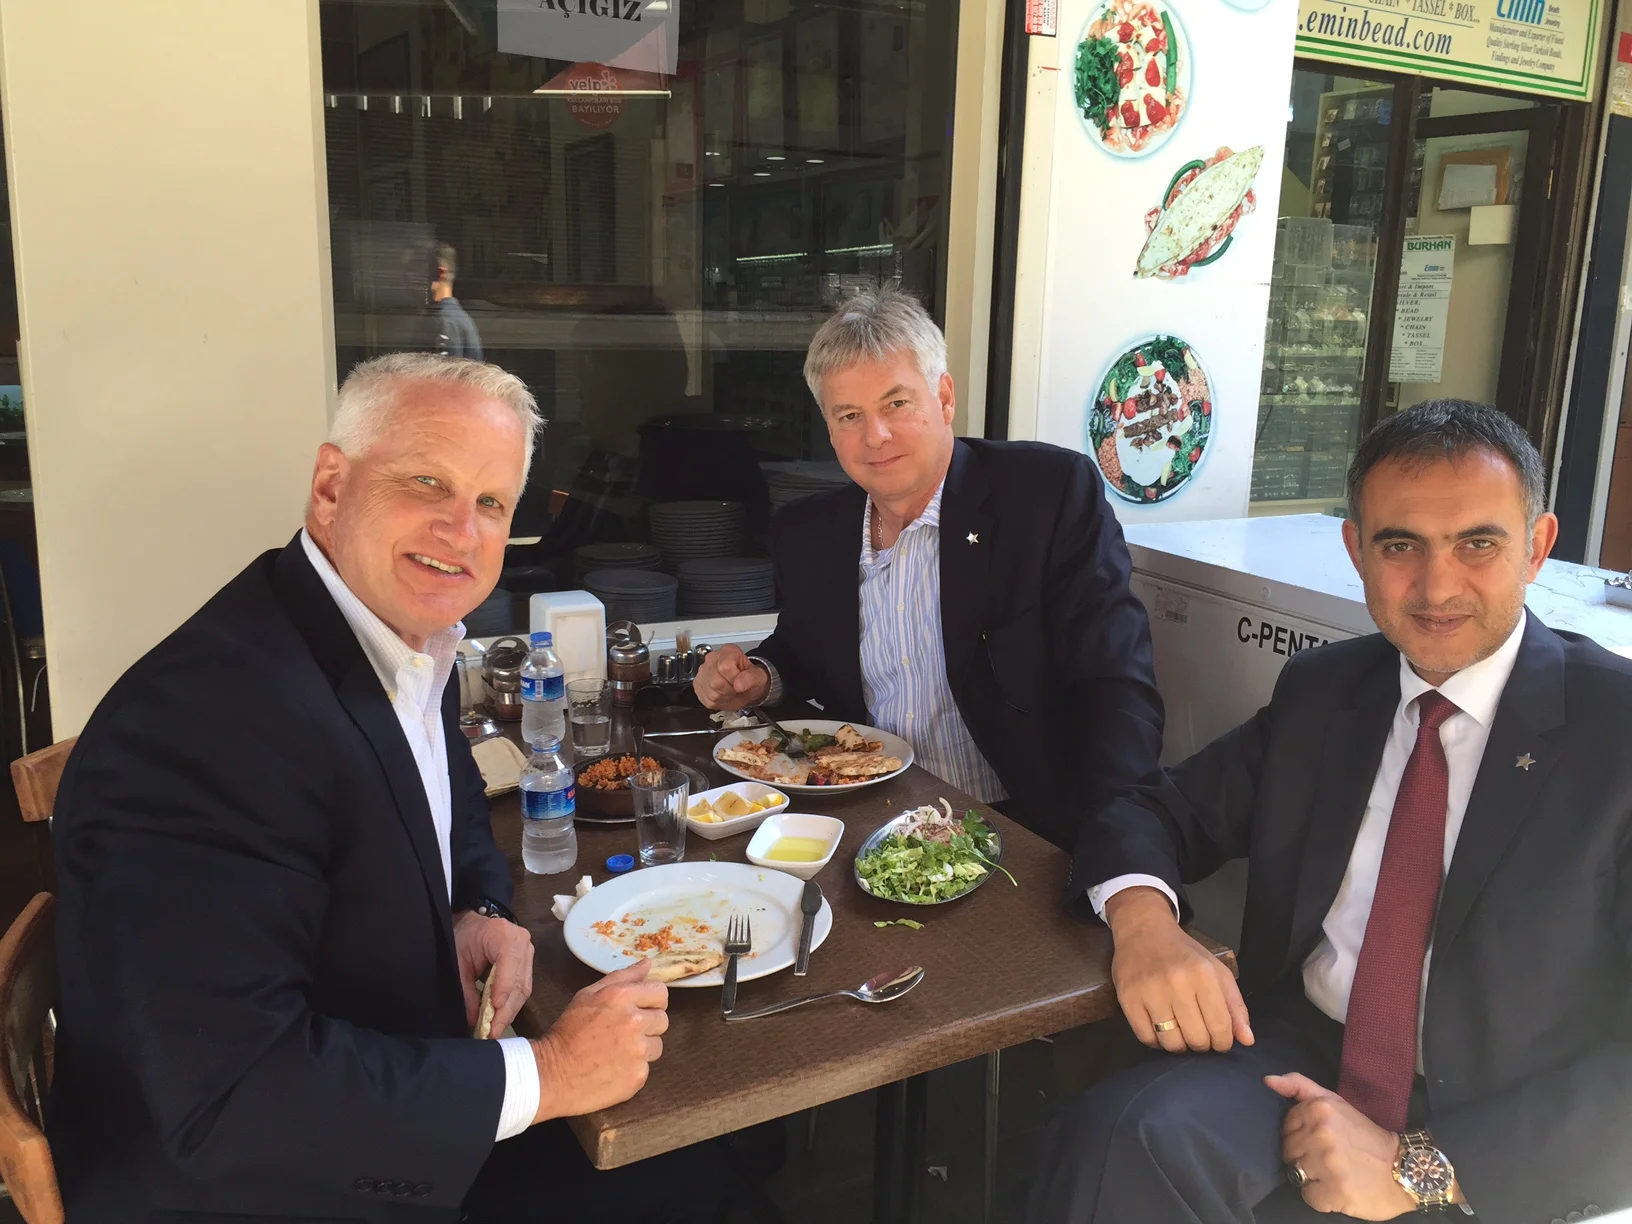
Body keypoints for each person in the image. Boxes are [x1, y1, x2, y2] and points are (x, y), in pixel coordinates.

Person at [48, 353, 719, 1222]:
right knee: (698, 1168)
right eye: (427, 481)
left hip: (373, 1075)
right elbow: (228, 1103)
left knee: (711, 1151)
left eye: (490, 503)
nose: (460, 529)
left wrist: (477, 909)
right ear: (330, 487)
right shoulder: (208, 722)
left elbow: (447, 812)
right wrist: (547, 1075)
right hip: (262, 1187)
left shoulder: (396, 638)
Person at [1029, 399, 1632, 1224]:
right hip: (1304, 1051)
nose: (1436, 585)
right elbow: (1150, 810)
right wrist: (1144, 925)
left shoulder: (1616, 731)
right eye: (1400, 545)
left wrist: (1425, 1167)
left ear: (1537, 547)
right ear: (1356, 549)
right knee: (1118, 1135)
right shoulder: (1327, 692)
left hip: (1499, 1111)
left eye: (1478, 544)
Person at [692, 289, 1164, 849]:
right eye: (850, 415)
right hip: (865, 819)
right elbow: (805, 649)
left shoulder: (1047, 496)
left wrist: (1121, 857)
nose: (876, 436)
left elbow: (1115, 687)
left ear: (943, 397)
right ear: (829, 426)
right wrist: (760, 677)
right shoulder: (808, 531)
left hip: (1022, 826)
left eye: (896, 404)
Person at [432, 243, 484, 360]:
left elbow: (443, 377)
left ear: (440, 273)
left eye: (412, 271)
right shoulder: (454, 318)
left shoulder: (446, 321)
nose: (404, 278)